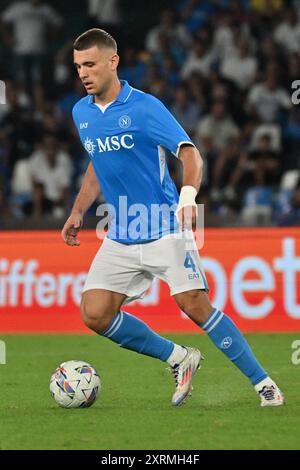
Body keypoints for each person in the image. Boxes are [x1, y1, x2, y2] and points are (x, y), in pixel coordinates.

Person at [62, 28, 284, 407]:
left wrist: (187, 196)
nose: (83, 73)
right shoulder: (81, 112)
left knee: (195, 305)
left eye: (90, 64)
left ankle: (264, 384)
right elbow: (97, 164)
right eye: (78, 66)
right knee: (95, 313)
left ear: (113, 62)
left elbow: (189, 152)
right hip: (119, 234)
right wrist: (78, 210)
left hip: (165, 227)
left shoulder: (145, 107)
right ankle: (179, 358)